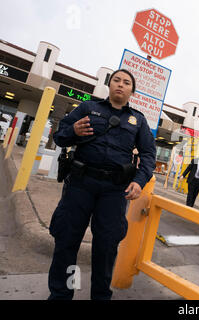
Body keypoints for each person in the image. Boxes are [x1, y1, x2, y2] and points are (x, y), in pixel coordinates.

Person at [47, 69, 156, 300]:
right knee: (68, 241)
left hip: (114, 191)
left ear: (132, 91)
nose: (121, 84)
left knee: (106, 247)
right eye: (116, 80)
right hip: (80, 184)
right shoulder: (88, 107)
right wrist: (73, 131)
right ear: (109, 85)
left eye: (126, 82)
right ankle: (62, 294)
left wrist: (139, 181)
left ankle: (100, 296)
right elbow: (60, 135)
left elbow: (148, 154)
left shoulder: (138, 120)